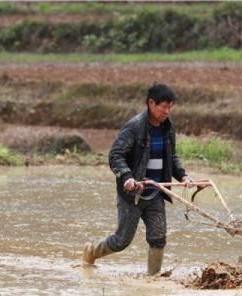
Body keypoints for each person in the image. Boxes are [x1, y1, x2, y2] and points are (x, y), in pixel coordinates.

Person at [82, 83, 193, 275]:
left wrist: (183, 175)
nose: (167, 111)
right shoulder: (134, 127)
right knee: (121, 241)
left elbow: (171, 156)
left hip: (156, 192)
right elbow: (116, 155)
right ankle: (91, 253)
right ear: (151, 103)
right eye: (163, 107)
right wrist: (127, 177)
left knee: (158, 238)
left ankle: (153, 279)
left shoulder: (168, 127)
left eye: (170, 107)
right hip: (133, 194)